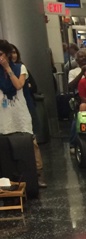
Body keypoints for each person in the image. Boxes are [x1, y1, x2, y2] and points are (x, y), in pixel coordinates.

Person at [6, 43, 47, 188]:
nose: (13, 55)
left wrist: (8, 69)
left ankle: (38, 174)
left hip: (24, 107)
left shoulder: (20, 68)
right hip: (5, 111)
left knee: (31, 142)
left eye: (14, 52)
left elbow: (23, 86)